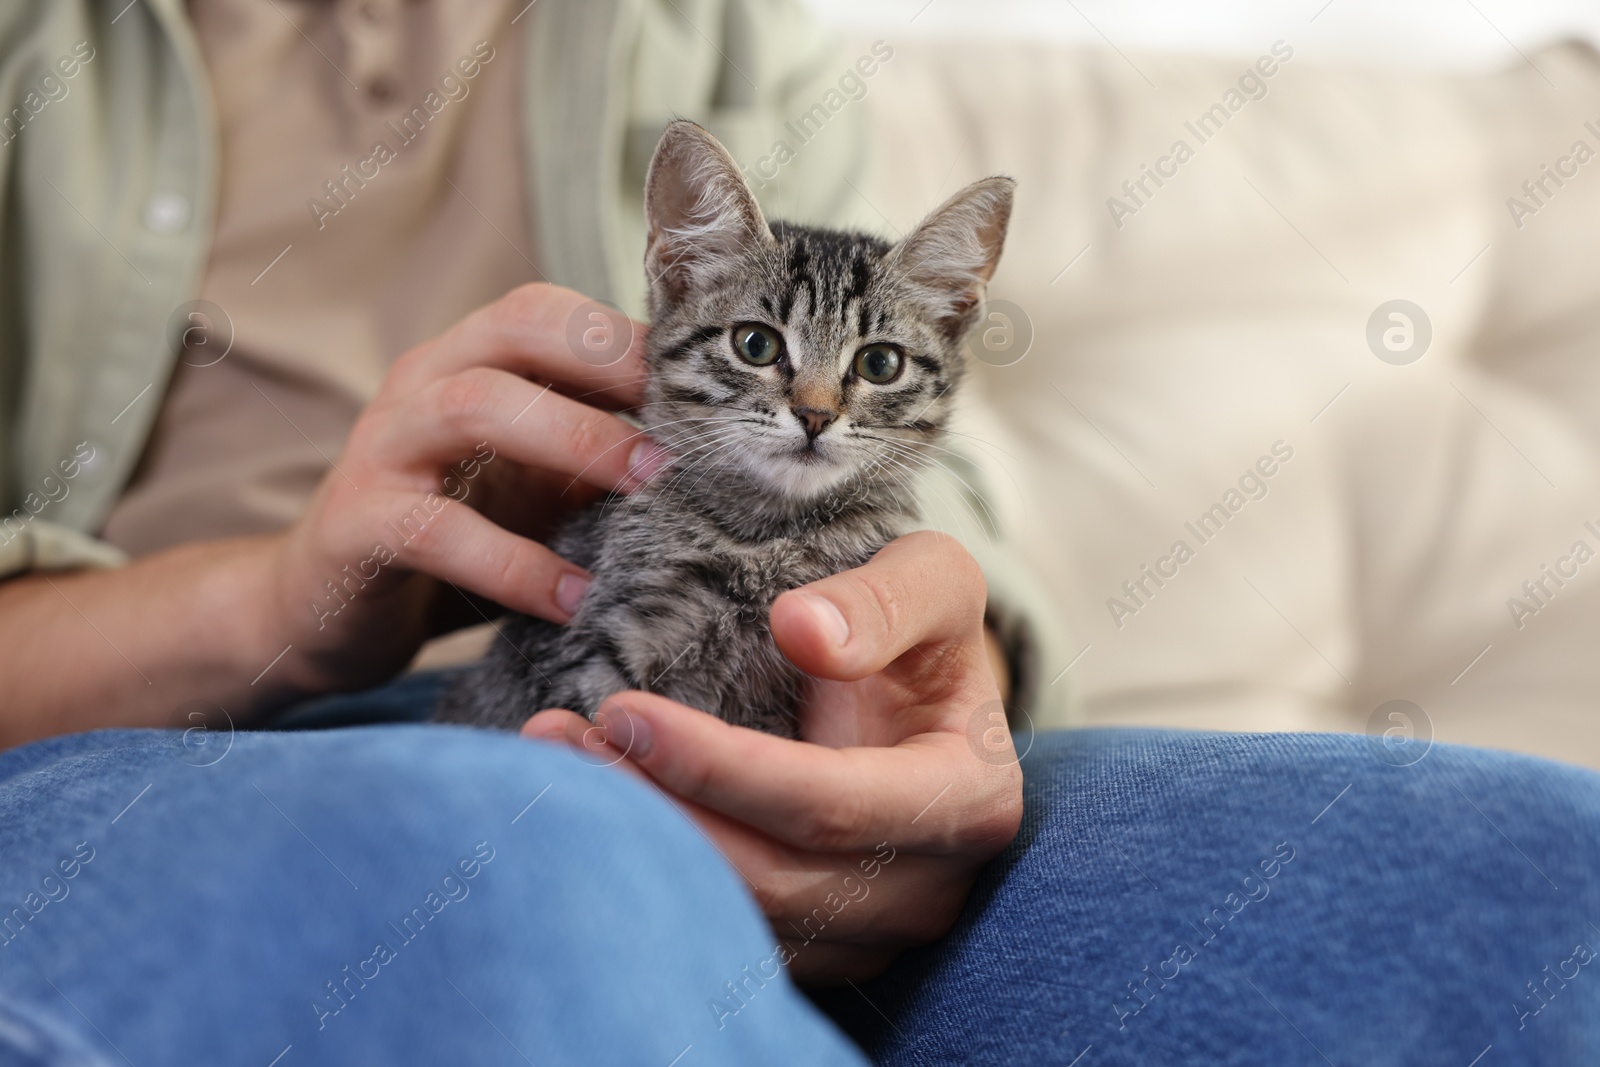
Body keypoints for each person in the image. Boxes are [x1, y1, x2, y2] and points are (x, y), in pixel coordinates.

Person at [1, 2, 1596, 1064]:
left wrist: (947, 663)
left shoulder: (720, 23)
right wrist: (278, 600)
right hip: (167, 736)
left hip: (744, 704)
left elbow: (910, 449)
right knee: (538, 857)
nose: (820, 396)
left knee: (1519, 863)